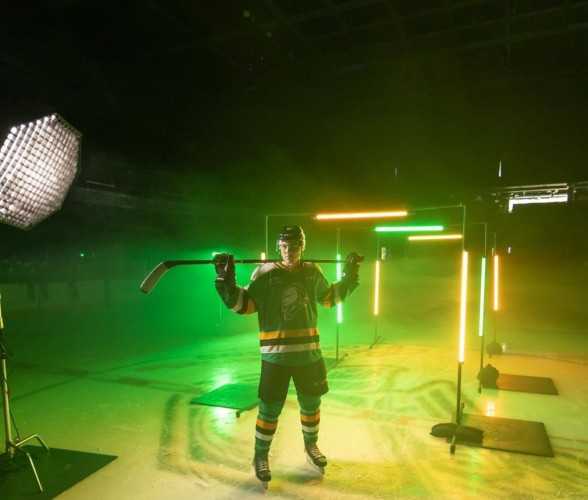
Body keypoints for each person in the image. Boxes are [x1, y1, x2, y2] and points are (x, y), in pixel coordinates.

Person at [213, 225, 361, 485]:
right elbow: (244, 305)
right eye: (284, 247)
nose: (289, 251)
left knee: (312, 405)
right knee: (269, 410)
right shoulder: (265, 274)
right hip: (275, 357)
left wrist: (350, 276)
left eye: (294, 246)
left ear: (302, 246)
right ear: (278, 248)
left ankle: (311, 446)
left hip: (309, 355)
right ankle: (260, 456)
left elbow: (328, 299)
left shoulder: (312, 272)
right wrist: (226, 282)